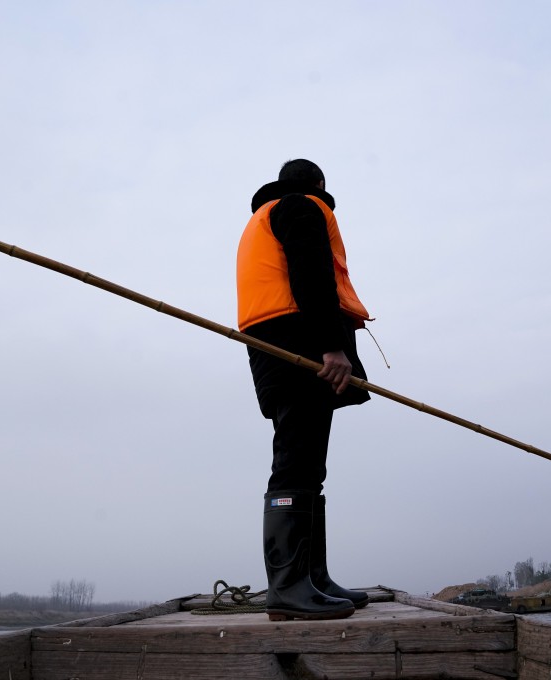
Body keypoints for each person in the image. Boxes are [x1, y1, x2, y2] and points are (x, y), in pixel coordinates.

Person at [236, 159, 373, 621]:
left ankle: (312, 579)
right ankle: (290, 587)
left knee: (306, 460)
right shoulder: (300, 206)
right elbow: (311, 271)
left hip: (269, 343)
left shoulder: (262, 217)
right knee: (297, 458)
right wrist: (332, 347)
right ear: (317, 185)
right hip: (298, 341)